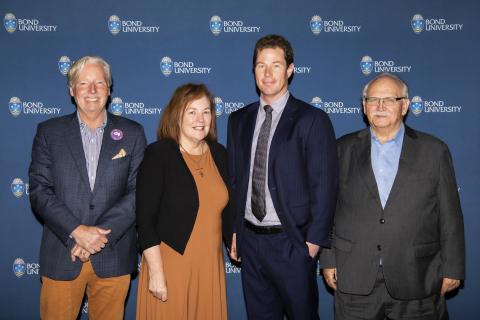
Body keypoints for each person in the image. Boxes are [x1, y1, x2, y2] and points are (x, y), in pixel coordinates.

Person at [320, 73, 465, 320]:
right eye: (373, 99)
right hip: (355, 275)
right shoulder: (341, 149)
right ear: (364, 106)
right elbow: (327, 210)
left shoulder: (434, 151)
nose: (380, 106)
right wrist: (328, 258)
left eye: (389, 99)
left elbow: (449, 214)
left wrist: (453, 267)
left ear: (405, 105)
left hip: (417, 276)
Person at [227, 34, 338, 319]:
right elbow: (236, 181)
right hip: (251, 242)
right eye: (261, 65)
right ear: (253, 70)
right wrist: (235, 230)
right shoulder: (238, 120)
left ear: (290, 69)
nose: (267, 73)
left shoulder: (312, 119)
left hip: (292, 243)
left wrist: (312, 244)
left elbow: (324, 186)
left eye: (276, 65)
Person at [29, 56, 146, 319]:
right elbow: (39, 190)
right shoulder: (49, 132)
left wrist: (96, 236)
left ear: (109, 88)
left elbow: (139, 192)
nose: (92, 91)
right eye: (83, 83)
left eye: (99, 83)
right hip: (63, 254)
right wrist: (76, 232)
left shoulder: (133, 133)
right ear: (72, 90)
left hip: (113, 255)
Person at [135, 83, 234, 320]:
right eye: (192, 111)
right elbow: (145, 219)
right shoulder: (159, 154)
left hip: (210, 266)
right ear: (177, 115)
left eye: (206, 111)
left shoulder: (219, 154)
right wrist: (157, 273)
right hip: (171, 265)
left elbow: (228, 207)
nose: (201, 119)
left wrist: (234, 237)